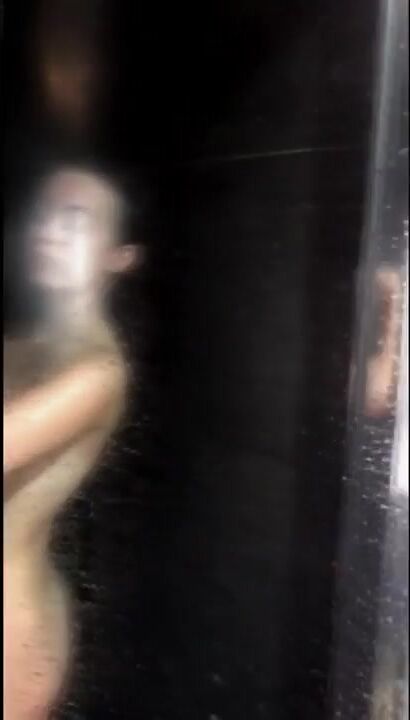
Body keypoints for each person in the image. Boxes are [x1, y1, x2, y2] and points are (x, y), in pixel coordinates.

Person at [4, 166, 140, 720]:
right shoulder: (28, 348)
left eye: (76, 219)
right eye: (44, 214)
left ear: (118, 257)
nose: (49, 229)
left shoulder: (98, 372)